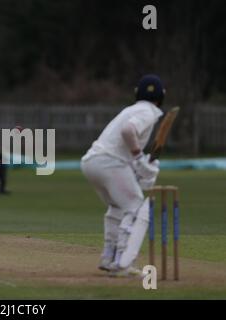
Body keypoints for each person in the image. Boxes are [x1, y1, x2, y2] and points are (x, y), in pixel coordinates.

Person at [80, 75, 164, 277]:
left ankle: (109, 257)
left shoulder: (131, 109)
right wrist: (137, 157)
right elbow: (128, 131)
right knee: (135, 206)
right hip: (110, 162)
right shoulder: (147, 111)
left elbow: (123, 135)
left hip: (91, 162)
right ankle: (122, 262)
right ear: (162, 96)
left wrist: (135, 163)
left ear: (137, 93)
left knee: (118, 207)